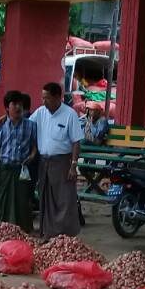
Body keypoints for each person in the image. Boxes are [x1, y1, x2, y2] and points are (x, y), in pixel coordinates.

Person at [29, 82, 83, 238]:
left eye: (46, 98)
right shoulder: (40, 112)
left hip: (63, 162)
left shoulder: (69, 114)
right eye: (42, 98)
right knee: (45, 198)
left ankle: (64, 235)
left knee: (64, 199)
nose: (43, 101)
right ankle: (47, 232)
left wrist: (73, 165)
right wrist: (6, 116)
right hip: (45, 162)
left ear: (57, 98)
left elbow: (76, 142)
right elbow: (27, 125)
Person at [0, 90, 37, 232]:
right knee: (2, 201)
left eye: (20, 104)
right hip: (5, 170)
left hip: (22, 170)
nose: (18, 107)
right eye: (14, 104)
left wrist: (33, 155)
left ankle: (23, 233)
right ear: (7, 108)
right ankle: (1, 232)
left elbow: (34, 145)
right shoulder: (0, 126)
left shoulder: (31, 125)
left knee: (23, 201)